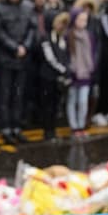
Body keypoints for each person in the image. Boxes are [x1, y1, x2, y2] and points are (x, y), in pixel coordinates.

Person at [0, 0, 35, 144]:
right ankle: (5, 127)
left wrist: (25, 46)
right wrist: (14, 47)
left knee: (18, 95)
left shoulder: (27, 8)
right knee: (5, 95)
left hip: (22, 58)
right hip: (6, 58)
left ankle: (16, 126)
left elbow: (32, 28)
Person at [37, 12, 70, 141]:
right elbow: (49, 58)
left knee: (55, 106)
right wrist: (63, 69)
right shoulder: (45, 38)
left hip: (57, 78)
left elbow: (65, 56)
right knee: (47, 106)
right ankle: (47, 131)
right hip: (47, 77)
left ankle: (53, 130)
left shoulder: (62, 38)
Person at [66, 8, 98, 138]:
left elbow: (92, 53)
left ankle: (81, 124)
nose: (83, 22)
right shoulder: (69, 35)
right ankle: (74, 126)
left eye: (85, 19)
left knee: (83, 101)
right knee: (72, 100)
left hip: (86, 72)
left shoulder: (89, 35)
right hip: (73, 72)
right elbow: (66, 55)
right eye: (80, 19)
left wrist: (92, 66)